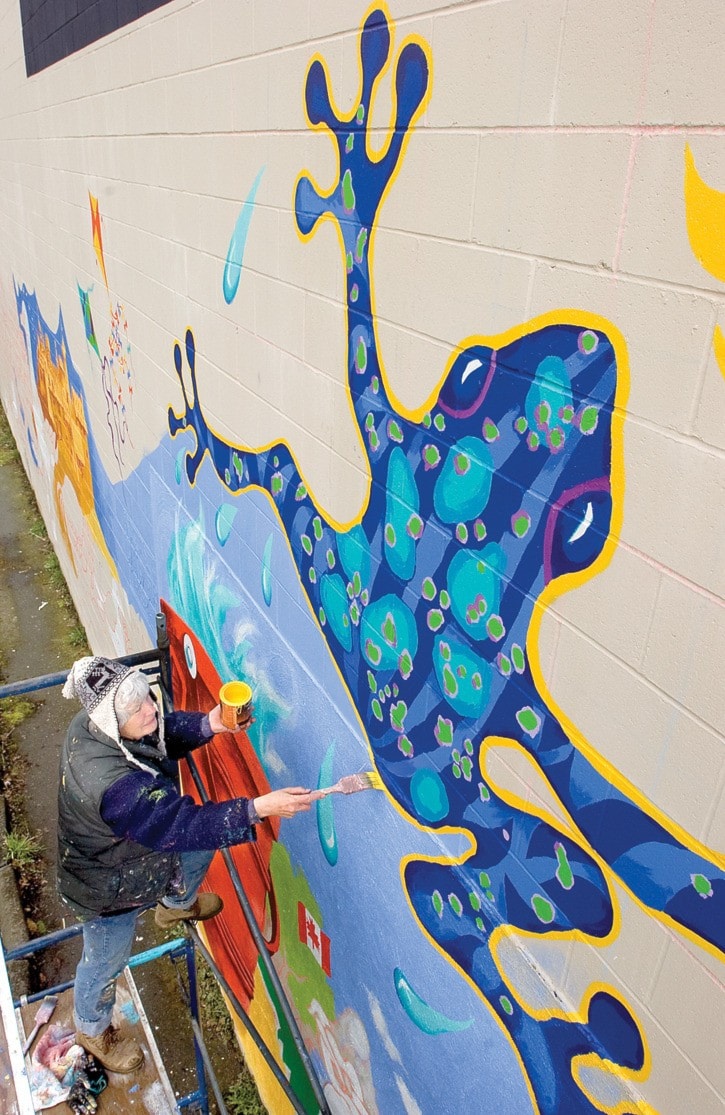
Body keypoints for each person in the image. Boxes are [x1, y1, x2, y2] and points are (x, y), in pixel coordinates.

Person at [59, 655, 314, 1074]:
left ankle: (175, 905)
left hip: (129, 852)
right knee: (106, 958)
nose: (151, 710)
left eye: (147, 699)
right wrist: (261, 807)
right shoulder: (114, 788)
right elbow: (183, 823)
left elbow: (154, 735)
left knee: (202, 843)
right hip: (105, 886)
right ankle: (91, 1027)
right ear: (108, 719)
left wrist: (211, 723)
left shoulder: (95, 727)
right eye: (138, 708)